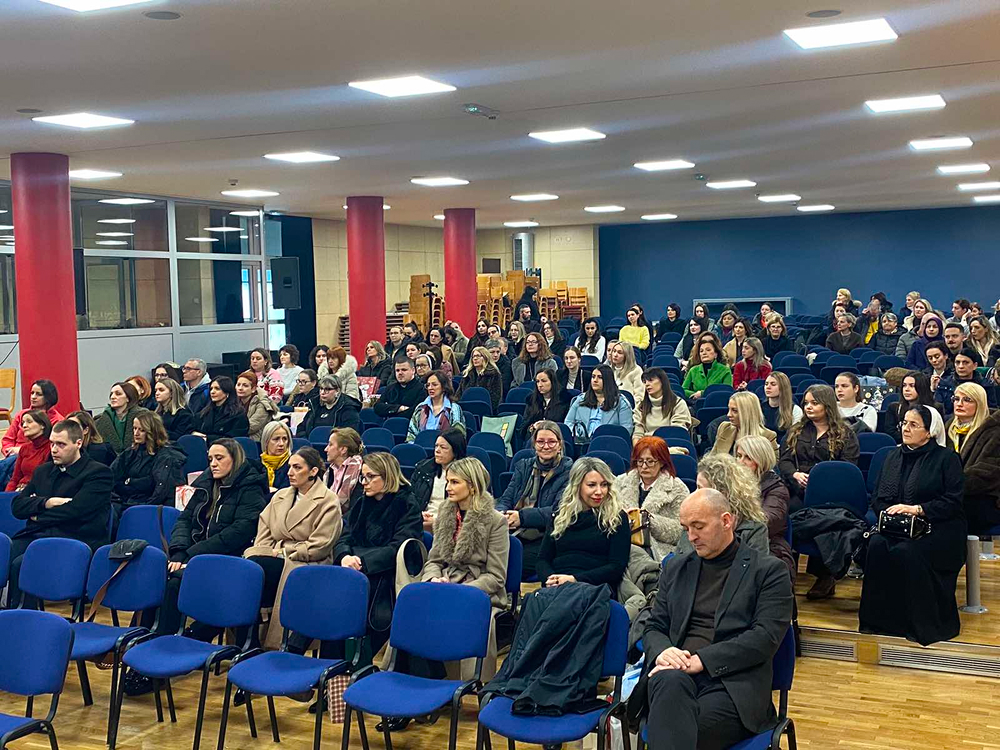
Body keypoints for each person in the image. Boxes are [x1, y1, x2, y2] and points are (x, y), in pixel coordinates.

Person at [631, 488, 793, 750]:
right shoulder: (676, 568)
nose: (691, 537)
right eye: (686, 528)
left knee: (675, 729)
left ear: (726, 521)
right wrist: (663, 652)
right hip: (675, 677)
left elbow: (764, 638)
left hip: (732, 686)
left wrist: (702, 661)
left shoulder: (768, 571)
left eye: (698, 527)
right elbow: (654, 626)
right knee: (670, 689)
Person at [859, 405, 967, 645]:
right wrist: (890, 513)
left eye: (913, 425)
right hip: (898, 526)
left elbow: (953, 502)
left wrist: (917, 509)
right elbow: (878, 497)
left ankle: (920, 625)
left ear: (929, 432)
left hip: (939, 526)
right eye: (904, 423)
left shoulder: (947, 458)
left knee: (909, 551)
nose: (905, 429)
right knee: (877, 546)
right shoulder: (893, 456)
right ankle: (881, 623)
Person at [145, 438, 268, 641]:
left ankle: (164, 642)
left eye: (219, 458)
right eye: (210, 459)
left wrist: (191, 555)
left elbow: (238, 533)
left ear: (235, 459)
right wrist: (179, 551)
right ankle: (145, 637)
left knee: (175, 583)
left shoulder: (251, 488)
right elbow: (184, 520)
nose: (213, 464)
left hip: (229, 559)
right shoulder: (206, 484)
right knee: (159, 575)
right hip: (196, 556)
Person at [243, 447, 343, 649]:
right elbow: (264, 530)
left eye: (297, 468)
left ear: (313, 471)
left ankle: (250, 641)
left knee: (255, 570)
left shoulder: (328, 500)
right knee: (247, 568)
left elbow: (321, 545)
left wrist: (283, 553)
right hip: (272, 555)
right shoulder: (281, 496)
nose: (290, 472)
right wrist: (268, 551)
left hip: (306, 561)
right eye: (290, 467)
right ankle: (247, 640)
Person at [9, 420, 113, 608]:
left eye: (61, 444)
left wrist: (37, 515)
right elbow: (17, 506)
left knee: (22, 564)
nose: (54, 450)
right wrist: (47, 502)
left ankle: (22, 616)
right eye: (52, 443)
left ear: (78, 443)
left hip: (76, 536)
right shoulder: (43, 471)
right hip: (38, 534)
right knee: (6, 555)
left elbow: (76, 511)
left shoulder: (98, 473)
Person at [422, 457, 509, 680]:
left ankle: (472, 683)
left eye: (455, 482)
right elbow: (434, 561)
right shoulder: (444, 515)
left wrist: (462, 591)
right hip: (445, 582)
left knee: (466, 613)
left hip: (479, 589)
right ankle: (424, 680)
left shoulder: (495, 521)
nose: (448, 488)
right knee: (417, 607)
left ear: (472, 486)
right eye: (448, 482)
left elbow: (496, 577)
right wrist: (433, 579)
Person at [334, 452, 421, 657]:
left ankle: (355, 659)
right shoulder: (362, 502)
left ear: (387, 476)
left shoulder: (406, 504)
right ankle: (321, 657)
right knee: (329, 587)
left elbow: (399, 548)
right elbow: (344, 537)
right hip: (354, 566)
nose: (364, 483)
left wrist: (363, 562)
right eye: (363, 477)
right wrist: (345, 556)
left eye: (370, 477)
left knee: (353, 593)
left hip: (384, 571)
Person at [536, 457, 630, 595]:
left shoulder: (617, 518)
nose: (599, 491)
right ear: (577, 486)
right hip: (556, 587)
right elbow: (543, 559)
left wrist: (574, 579)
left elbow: (616, 567)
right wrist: (551, 579)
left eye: (604, 485)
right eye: (592, 485)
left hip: (594, 589)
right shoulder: (560, 514)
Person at [496, 421, 573, 579]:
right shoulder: (523, 466)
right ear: (534, 444)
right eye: (541, 442)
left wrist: (522, 517)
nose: (546, 446)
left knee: (511, 561)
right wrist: (501, 515)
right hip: (514, 530)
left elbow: (558, 511)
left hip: (547, 536)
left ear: (560, 445)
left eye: (551, 442)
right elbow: (506, 499)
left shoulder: (570, 472)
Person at [777, 384, 860, 512]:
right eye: (806, 403)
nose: (808, 407)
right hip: (796, 489)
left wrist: (819, 479)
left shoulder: (845, 434)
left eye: (814, 403)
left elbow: (847, 465)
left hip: (830, 490)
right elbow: (785, 460)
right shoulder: (795, 431)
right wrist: (795, 474)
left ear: (827, 406)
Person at [613, 437, 688, 559]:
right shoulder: (620, 482)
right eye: (640, 461)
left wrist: (647, 520)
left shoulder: (677, 488)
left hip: (658, 550)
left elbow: (681, 531)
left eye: (650, 461)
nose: (644, 466)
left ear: (662, 462)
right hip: (621, 543)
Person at [735, 435, 794, 581]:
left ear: (761, 461)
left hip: (768, 543)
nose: (740, 462)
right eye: (739, 456)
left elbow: (766, 521)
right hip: (733, 540)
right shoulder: (731, 483)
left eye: (748, 458)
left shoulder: (777, 489)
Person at [686, 453, 769, 554]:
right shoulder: (692, 521)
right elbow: (684, 559)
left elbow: (755, 563)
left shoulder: (755, 530)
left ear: (722, 493)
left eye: (700, 488)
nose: (695, 494)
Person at [945, 382, 1000, 534]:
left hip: (983, 497)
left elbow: (988, 472)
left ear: (979, 403)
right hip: (953, 493)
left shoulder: (994, 431)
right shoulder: (948, 427)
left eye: (967, 400)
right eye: (956, 399)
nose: (959, 404)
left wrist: (950, 483)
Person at [109, 411, 186, 514]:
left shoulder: (166, 457)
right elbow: (111, 475)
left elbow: (158, 490)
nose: (136, 433)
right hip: (126, 501)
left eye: (141, 430)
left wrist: (130, 481)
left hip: (148, 507)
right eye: (134, 428)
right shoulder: (131, 452)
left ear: (152, 432)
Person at [0, 379, 62, 485]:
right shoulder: (21, 414)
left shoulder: (57, 420)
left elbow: (51, 447)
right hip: (12, 456)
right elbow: (7, 439)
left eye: (38, 394)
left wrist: (20, 450)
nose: (33, 397)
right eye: (32, 393)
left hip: (33, 458)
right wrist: (9, 451)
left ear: (48, 397)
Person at [410, 428, 467, 531]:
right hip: (422, 520)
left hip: (451, 525)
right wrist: (419, 515)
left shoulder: (466, 475)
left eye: (443, 447)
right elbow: (411, 500)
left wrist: (437, 522)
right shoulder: (422, 469)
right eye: (436, 446)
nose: (437, 450)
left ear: (455, 451)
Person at [565, 364, 634, 440]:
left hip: (608, 443)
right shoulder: (580, 400)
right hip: (581, 442)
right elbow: (568, 422)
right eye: (593, 377)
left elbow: (626, 430)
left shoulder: (621, 403)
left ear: (608, 380)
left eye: (600, 377)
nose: (595, 380)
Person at [884, 371, 946, 446]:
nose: (906, 389)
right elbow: (891, 433)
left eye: (912, 386)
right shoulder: (894, 408)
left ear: (921, 387)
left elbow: (937, 434)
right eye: (904, 385)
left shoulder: (935, 408)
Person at [632, 368, 693, 442]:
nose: (647, 384)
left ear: (662, 382)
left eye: (651, 380)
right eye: (645, 382)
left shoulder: (678, 404)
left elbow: (676, 432)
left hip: (671, 444)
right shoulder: (641, 406)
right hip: (647, 445)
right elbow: (637, 434)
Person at [713, 392, 779, 457]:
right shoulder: (724, 427)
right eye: (729, 409)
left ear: (748, 413)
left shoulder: (767, 436)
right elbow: (713, 457)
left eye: (735, 411)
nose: (728, 415)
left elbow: (772, 462)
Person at [406, 369, 465, 441]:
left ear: (444, 387)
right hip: (422, 446)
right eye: (428, 385)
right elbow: (411, 434)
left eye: (434, 385)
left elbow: (458, 437)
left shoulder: (454, 408)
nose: (430, 388)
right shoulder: (420, 408)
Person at [296, 374, 362, 437]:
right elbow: (301, 428)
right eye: (321, 389)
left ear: (337, 391)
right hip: (312, 443)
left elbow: (349, 435)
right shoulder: (314, 405)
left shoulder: (348, 408)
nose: (322, 392)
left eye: (327, 389)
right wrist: (306, 441)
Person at [936, 348, 994, 417]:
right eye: (957, 362)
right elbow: (938, 409)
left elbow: (991, 410)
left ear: (975, 365)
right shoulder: (944, 384)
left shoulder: (985, 385)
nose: (961, 366)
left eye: (965, 362)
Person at [95, 381, 148, 454]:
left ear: (128, 398)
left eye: (118, 394)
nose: (112, 397)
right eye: (111, 394)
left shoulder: (144, 416)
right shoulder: (99, 420)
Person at [5, 410, 51, 492]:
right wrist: (7, 495)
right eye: (23, 423)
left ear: (42, 425)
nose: (24, 426)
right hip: (19, 490)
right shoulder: (25, 448)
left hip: (35, 492)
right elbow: (15, 479)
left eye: (29, 422)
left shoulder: (51, 448)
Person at [521, 368, 572, 440]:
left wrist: (546, 426)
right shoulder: (532, 400)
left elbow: (566, 426)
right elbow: (524, 424)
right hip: (534, 438)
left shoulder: (564, 399)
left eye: (544, 381)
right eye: (537, 381)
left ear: (552, 382)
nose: (540, 385)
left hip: (557, 438)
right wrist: (532, 427)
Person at [195, 376, 250, 442]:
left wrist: (207, 438)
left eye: (217, 389)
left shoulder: (238, 414)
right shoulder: (205, 412)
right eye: (211, 389)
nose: (212, 392)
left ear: (227, 392)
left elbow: (234, 438)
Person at [373, 357, 425, 422]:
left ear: (413, 370)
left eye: (404, 370)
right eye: (397, 370)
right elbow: (377, 407)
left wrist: (389, 411)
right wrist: (398, 408)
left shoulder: (422, 389)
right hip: (390, 425)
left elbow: (414, 412)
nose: (400, 373)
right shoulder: (390, 388)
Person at [324, 427, 365, 509]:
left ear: (343, 449)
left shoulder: (361, 473)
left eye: (330, 445)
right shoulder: (330, 471)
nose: (326, 449)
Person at [235, 369, 278, 442]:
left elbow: (251, 427)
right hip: (238, 436)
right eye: (238, 385)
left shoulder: (263, 404)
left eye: (245, 385)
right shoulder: (233, 402)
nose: (240, 388)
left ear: (253, 389)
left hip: (257, 441)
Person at [456, 346, 503, 412]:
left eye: (478, 356)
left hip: (487, 411)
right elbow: (458, 395)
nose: (475, 358)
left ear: (485, 357)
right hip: (467, 410)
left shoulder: (494, 374)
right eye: (473, 356)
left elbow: (496, 398)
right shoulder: (467, 375)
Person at [608, 339, 645, 405]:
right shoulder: (609, 370)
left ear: (627, 355)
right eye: (614, 351)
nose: (615, 355)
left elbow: (640, 397)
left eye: (619, 352)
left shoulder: (636, 371)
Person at [260, 421, 293, 492]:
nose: (281, 444)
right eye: (276, 439)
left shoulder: (293, 465)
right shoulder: (256, 466)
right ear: (266, 441)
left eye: (284, 439)